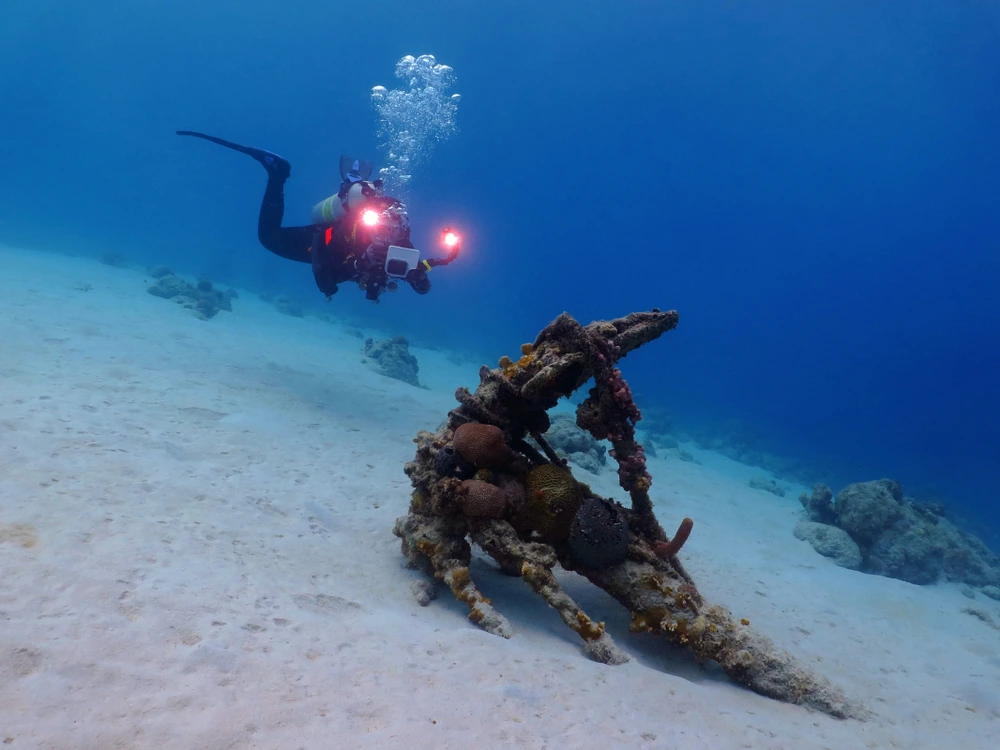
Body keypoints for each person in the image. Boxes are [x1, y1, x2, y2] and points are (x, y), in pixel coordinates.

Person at [176, 130, 459, 301]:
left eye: (395, 228)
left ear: (403, 227)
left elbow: (419, 283)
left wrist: (422, 280)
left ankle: (277, 174)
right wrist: (359, 258)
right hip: (322, 245)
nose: (387, 232)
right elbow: (332, 249)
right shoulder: (360, 228)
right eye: (385, 225)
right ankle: (277, 174)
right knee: (268, 238)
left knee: (269, 238)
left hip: (332, 261)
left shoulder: (403, 248)